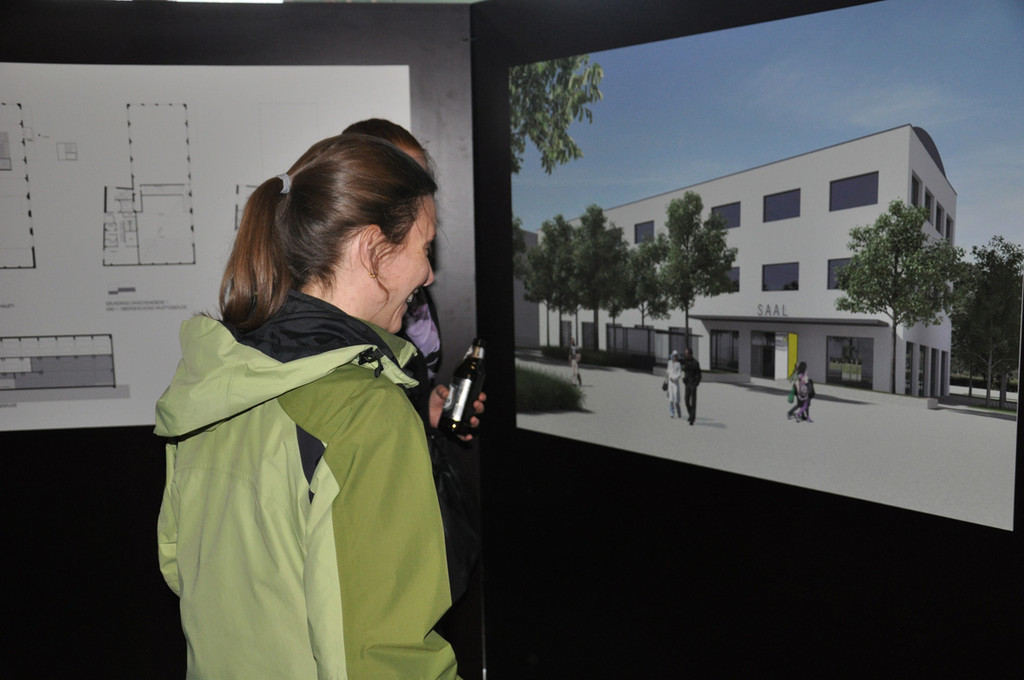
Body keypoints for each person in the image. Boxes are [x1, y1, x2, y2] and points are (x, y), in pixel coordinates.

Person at [155, 133, 459, 679]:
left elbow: (179, 564)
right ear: (373, 250)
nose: (429, 274)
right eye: (424, 248)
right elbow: (384, 660)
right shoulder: (366, 414)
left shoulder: (213, 382)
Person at [342, 118, 483, 605]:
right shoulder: (340, 332)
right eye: (404, 181)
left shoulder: (409, 289)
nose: (428, 273)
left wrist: (427, 406)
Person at [681, 347, 702, 425]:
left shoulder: (696, 363)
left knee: (693, 402)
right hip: (687, 384)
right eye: (685, 353)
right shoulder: (685, 362)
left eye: (686, 353)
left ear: (690, 354)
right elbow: (685, 371)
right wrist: (684, 379)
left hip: (693, 384)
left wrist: (696, 384)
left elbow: (699, 375)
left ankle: (692, 419)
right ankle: (691, 414)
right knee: (686, 400)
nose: (685, 354)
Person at [666, 350, 683, 419]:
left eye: (676, 356)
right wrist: (669, 376)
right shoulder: (669, 363)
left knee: (676, 399)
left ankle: (679, 412)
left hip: (675, 383)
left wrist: (674, 378)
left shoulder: (678, 364)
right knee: (671, 399)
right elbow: (668, 370)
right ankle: (672, 413)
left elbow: (679, 373)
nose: (675, 357)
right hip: (670, 383)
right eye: (674, 356)